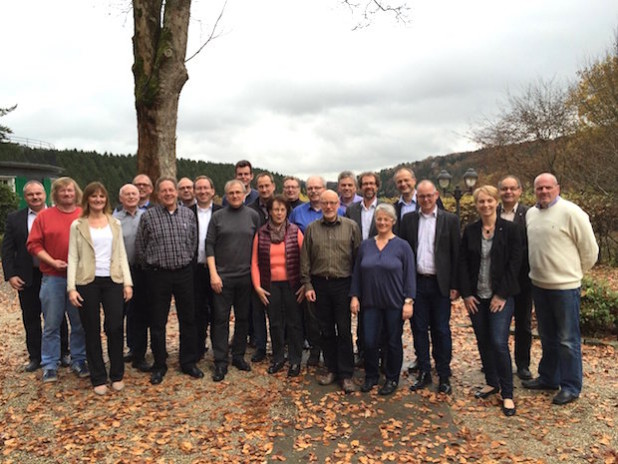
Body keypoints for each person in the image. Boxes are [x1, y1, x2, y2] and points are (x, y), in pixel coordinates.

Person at [523, 173, 598, 405]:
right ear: (534, 191)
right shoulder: (531, 214)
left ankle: (571, 386)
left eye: (548, 187)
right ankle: (548, 377)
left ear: (558, 188)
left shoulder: (572, 212)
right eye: (539, 188)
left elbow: (590, 250)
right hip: (539, 285)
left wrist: (573, 274)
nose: (543, 192)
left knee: (567, 339)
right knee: (547, 337)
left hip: (565, 288)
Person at [459, 185, 523, 417]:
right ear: (476, 205)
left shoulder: (511, 230)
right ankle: (491, 381)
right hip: (477, 297)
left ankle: (507, 393)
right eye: (481, 202)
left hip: (501, 298)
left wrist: (501, 295)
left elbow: (515, 264)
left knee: (498, 341)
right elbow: (463, 263)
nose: (485, 205)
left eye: (489, 201)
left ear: (496, 202)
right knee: (483, 340)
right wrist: (466, 294)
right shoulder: (471, 230)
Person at [135, 177, 203, 385]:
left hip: (183, 273)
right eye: (163, 191)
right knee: (158, 322)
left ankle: (188, 361)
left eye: (171, 190)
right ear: (158, 194)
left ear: (176, 192)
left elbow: (193, 242)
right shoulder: (149, 217)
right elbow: (141, 246)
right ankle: (159, 364)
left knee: (188, 319)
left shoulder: (187, 214)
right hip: (158, 275)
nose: (168, 194)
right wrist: (151, 268)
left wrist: (186, 261)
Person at [67, 182, 133, 395]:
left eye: (101, 196)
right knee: (91, 329)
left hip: (113, 280)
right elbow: (72, 256)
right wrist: (71, 288)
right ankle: (98, 376)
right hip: (87, 282)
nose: (97, 200)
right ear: (87, 199)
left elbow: (121, 253)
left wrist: (128, 282)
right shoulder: (78, 225)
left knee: (115, 327)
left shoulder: (115, 223)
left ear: (106, 199)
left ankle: (117, 374)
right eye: (93, 196)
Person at [399, 180, 460, 395]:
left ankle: (443, 373)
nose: (425, 200)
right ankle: (424, 371)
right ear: (417, 198)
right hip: (416, 283)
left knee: (441, 330)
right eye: (421, 196)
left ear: (436, 195)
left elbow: (456, 254)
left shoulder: (450, 220)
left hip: (440, 283)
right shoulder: (408, 220)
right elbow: (404, 255)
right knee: (418, 329)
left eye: (429, 196)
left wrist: (455, 285)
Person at [2, 181, 69, 372]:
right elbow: (7, 250)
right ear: (25, 197)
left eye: (38, 193)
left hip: (56, 273)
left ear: (45, 194)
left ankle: (63, 352)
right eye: (31, 194)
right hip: (28, 275)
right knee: (31, 316)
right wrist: (11, 275)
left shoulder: (57, 214)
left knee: (57, 315)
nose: (35, 197)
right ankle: (35, 357)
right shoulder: (15, 219)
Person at [27, 177, 89, 383]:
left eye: (70, 190)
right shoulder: (44, 216)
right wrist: (52, 261)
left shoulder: (85, 215)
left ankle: (79, 360)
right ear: (56, 194)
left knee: (79, 323)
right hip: (53, 277)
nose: (66, 194)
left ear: (76, 192)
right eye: (62, 191)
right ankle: (50, 364)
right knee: (52, 324)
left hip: (79, 279)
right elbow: (34, 245)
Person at [350, 203, 416, 396]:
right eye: (379, 219)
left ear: (393, 222)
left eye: (386, 219)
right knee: (369, 341)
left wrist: (408, 301)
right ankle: (371, 376)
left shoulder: (403, 247)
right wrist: (355, 296)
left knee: (393, 342)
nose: (382, 222)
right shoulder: (366, 245)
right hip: (370, 303)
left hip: (394, 303)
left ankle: (392, 377)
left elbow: (409, 276)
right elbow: (357, 274)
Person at [301, 190, 361, 393]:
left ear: (338, 204)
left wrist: (356, 291)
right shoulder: (311, 229)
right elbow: (305, 259)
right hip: (319, 284)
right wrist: (307, 285)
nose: (328, 206)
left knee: (344, 330)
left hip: (343, 284)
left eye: (332, 203)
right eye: (324, 203)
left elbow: (357, 260)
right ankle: (331, 368)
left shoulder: (351, 227)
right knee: (325, 330)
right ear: (320, 204)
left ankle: (346, 374)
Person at [207, 180, 260, 382]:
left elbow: (259, 244)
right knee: (220, 320)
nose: (235, 195)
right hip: (222, 277)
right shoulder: (218, 217)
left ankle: (238, 355)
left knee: (243, 318)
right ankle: (220, 361)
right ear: (225, 195)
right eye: (231, 192)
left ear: (245, 194)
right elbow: (209, 245)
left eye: (238, 192)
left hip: (246, 277)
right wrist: (213, 274)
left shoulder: (253, 216)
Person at [289, 176, 344, 366]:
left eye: (317, 187)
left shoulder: (342, 212)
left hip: (337, 274)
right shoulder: (297, 212)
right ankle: (315, 349)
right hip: (310, 272)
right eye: (310, 188)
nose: (313, 191)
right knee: (313, 317)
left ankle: (339, 357)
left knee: (338, 321)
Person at [251, 195, 304, 377]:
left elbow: (305, 260)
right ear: (269, 211)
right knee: (275, 323)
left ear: (286, 211)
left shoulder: (296, 231)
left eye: (282, 209)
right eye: (275, 209)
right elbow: (255, 262)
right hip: (270, 285)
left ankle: (295, 360)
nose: (279, 213)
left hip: (293, 285)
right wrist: (257, 287)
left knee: (294, 323)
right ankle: (279, 358)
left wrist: (305, 284)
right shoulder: (261, 233)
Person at [497, 175, 533, 380]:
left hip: (523, 279)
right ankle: (498, 362)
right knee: (498, 324)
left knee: (523, 323)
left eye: (512, 189)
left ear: (520, 191)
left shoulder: (529, 214)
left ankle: (522, 364)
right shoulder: (493, 212)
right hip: (499, 280)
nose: (508, 192)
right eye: (504, 189)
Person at [113, 184, 151, 372]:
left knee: (140, 314)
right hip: (120, 271)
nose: (131, 197)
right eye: (126, 194)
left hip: (142, 271)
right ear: (121, 198)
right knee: (119, 314)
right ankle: (118, 353)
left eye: (134, 194)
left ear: (139, 196)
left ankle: (139, 354)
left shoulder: (147, 216)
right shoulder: (114, 220)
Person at [345, 171, 381, 366]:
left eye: (372, 183)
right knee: (361, 314)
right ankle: (363, 352)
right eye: (365, 183)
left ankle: (379, 354)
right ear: (361, 187)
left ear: (377, 186)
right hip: (358, 267)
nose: (368, 186)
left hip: (380, 269)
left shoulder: (385, 209)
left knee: (380, 313)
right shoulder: (352, 210)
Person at [189, 176, 221, 361]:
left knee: (218, 310)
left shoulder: (221, 212)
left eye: (205, 188)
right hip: (194, 269)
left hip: (216, 268)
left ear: (212, 191)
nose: (202, 191)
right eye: (199, 188)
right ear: (194, 191)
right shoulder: (185, 212)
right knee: (197, 310)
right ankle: (198, 348)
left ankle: (218, 350)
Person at [247, 172, 276, 363]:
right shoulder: (250, 209)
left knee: (276, 311)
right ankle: (260, 346)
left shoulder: (281, 206)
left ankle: (278, 345)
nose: (264, 189)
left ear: (273, 186)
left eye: (267, 186)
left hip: (278, 265)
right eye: (261, 186)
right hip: (257, 263)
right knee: (257, 310)